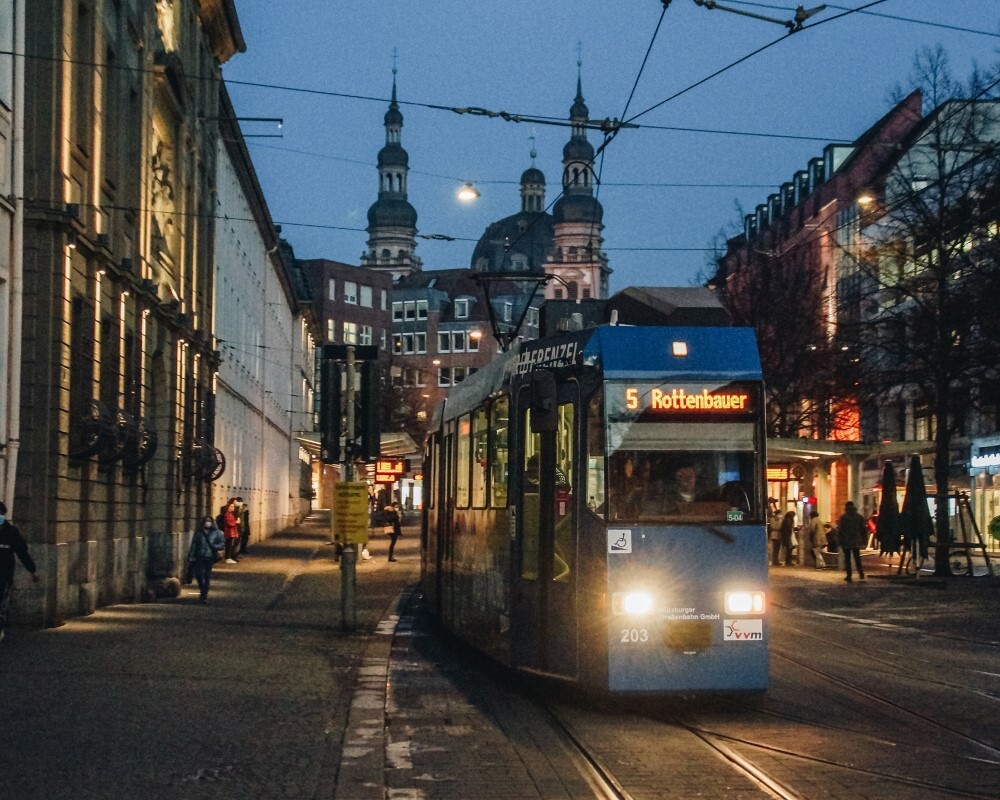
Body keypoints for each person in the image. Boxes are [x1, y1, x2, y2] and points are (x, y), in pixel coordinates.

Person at [0, 501, 40, 642]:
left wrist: (32, 570)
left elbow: (22, 552)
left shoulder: (11, 532)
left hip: (4, 574)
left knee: (1, 601)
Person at [187, 514, 225, 604]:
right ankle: (202, 589)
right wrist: (191, 556)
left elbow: (222, 544)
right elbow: (194, 545)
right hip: (199, 556)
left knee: (206, 576)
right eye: (206, 521)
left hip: (210, 557)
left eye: (209, 521)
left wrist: (214, 546)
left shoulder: (217, 533)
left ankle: (204, 595)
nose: (207, 523)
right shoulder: (199, 533)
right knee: (198, 574)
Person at [835, 500, 867, 582]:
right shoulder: (859, 517)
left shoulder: (844, 517)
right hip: (856, 540)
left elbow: (840, 530)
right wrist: (864, 540)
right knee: (857, 557)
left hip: (846, 540)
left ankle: (849, 575)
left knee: (847, 558)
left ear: (846, 507)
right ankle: (861, 573)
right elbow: (863, 529)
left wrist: (839, 540)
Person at [220, 498, 240, 563]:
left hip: (231, 531)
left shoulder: (230, 514)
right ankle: (228, 557)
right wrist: (236, 522)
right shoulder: (227, 514)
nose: (233, 507)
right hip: (229, 532)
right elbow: (229, 523)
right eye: (231, 506)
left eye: (233, 506)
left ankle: (229, 557)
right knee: (229, 545)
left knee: (230, 544)